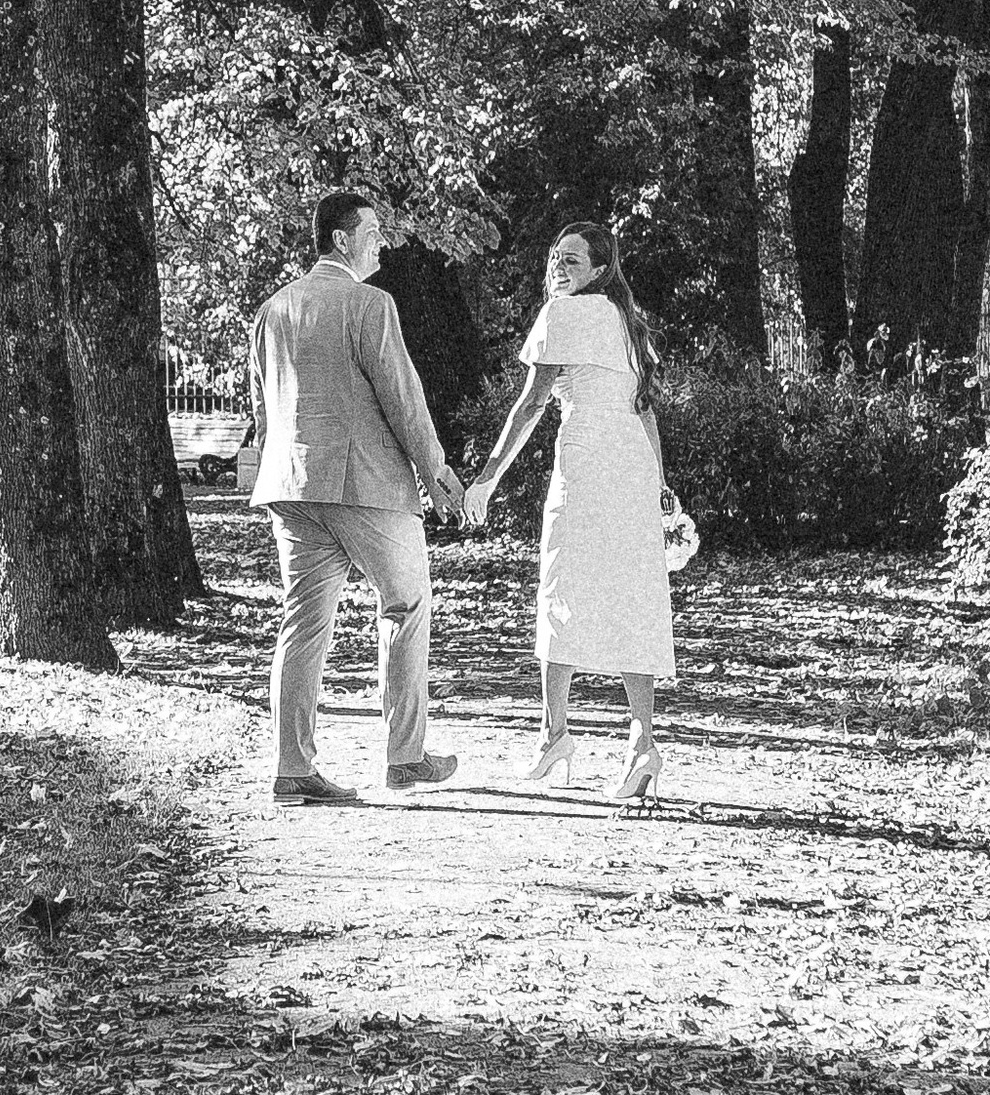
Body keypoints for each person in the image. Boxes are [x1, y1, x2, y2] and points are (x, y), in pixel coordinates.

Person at [248, 189, 463, 806]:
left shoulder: (273, 309)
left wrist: (281, 469)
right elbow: (403, 397)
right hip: (364, 485)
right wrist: (438, 472)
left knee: (302, 624)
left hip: (291, 486)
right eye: (373, 230)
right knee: (406, 603)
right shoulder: (371, 305)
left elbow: (263, 412)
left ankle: (292, 768)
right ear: (341, 239)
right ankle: (405, 756)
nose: (382, 241)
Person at [463, 216, 676, 803]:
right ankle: (642, 743)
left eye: (573, 260)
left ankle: (555, 732)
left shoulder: (564, 313)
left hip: (585, 464)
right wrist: (660, 487)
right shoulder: (627, 323)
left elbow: (530, 405)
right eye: (556, 257)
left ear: (600, 271)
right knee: (634, 594)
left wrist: (485, 480)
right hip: (632, 468)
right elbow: (645, 411)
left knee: (562, 586)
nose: (558, 267)